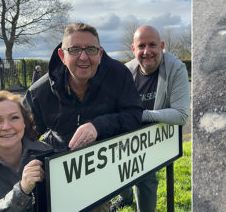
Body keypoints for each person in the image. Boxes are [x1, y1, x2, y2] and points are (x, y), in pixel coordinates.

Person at [23, 23, 143, 211]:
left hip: (102, 168)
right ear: (62, 56)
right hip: (57, 171)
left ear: (100, 54)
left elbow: (134, 115)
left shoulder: (118, 76)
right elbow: (22, 136)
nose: (84, 57)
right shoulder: (39, 92)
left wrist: (98, 126)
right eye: (75, 50)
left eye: (91, 49)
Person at [111, 25, 190, 212]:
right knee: (118, 169)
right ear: (133, 49)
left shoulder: (176, 68)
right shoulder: (125, 72)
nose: (147, 52)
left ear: (162, 46)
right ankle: (126, 198)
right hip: (129, 131)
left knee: (145, 175)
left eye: (152, 45)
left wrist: (141, 116)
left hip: (154, 134)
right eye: (141, 46)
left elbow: (181, 114)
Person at [0, 91, 52, 212]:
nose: (6, 127)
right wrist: (22, 190)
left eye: (14, 118)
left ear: (24, 123)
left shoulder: (46, 151)